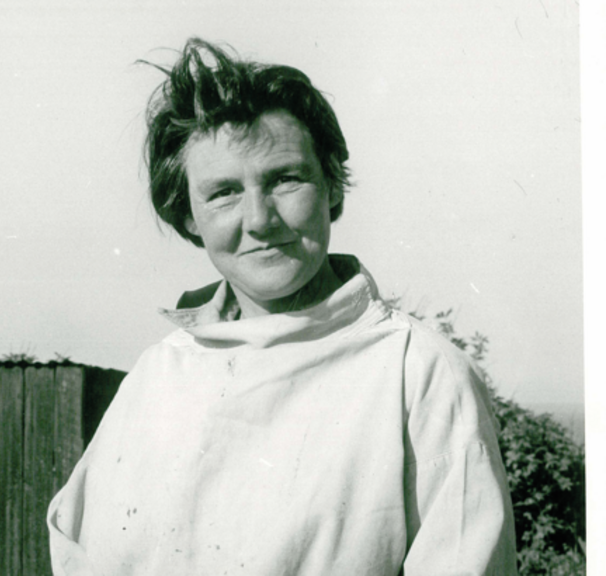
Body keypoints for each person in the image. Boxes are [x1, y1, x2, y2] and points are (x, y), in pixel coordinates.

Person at [46, 38, 518, 575]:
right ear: (189, 217)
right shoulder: (159, 375)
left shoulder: (420, 373)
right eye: (223, 192)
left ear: (332, 186)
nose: (260, 220)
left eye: (285, 179)